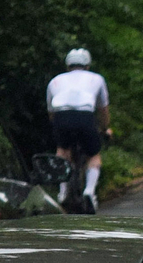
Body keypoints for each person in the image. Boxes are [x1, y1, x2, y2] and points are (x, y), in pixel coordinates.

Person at [47, 48, 111, 214]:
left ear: (68, 65)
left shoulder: (55, 80)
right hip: (85, 116)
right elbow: (103, 109)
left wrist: (58, 129)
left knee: (62, 151)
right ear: (87, 65)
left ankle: (62, 193)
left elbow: (51, 113)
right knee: (94, 156)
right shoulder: (96, 79)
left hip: (62, 116)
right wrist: (105, 129)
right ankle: (89, 191)